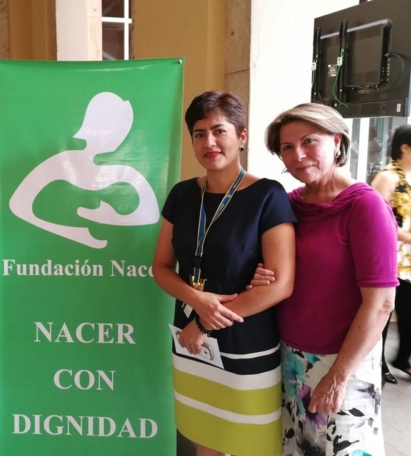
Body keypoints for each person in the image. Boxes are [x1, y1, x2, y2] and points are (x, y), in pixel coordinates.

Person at [152, 91, 296, 456]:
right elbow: (161, 267)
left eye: (219, 131)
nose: (209, 142)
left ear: (241, 136)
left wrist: (204, 322)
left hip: (245, 336)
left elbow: (280, 285)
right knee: (205, 436)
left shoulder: (268, 195)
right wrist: (197, 301)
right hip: (189, 333)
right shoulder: (182, 195)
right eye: (199, 134)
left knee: (253, 442)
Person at [258, 102, 398, 455]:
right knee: (296, 448)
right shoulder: (287, 204)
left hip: (343, 362)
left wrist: (338, 376)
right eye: (287, 147)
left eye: (309, 141)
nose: (298, 154)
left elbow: (381, 304)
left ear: (337, 141)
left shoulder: (364, 206)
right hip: (290, 357)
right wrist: (261, 275)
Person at [371, 124, 411, 383]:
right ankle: (379, 365)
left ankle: (402, 358)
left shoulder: (408, 176)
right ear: (405, 147)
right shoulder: (388, 177)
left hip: (408, 259)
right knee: (383, 313)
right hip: (391, 258)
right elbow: (377, 220)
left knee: (407, 313)